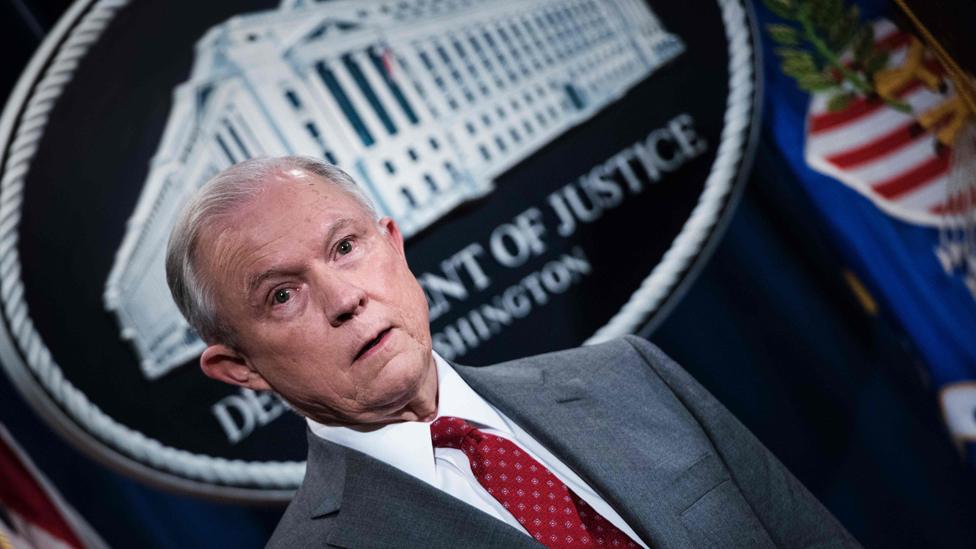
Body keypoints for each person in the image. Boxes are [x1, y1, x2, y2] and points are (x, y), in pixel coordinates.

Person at [165, 156, 860, 548]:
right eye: (283, 295)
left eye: (346, 248)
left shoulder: (630, 375)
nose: (345, 298)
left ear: (394, 246)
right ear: (241, 367)